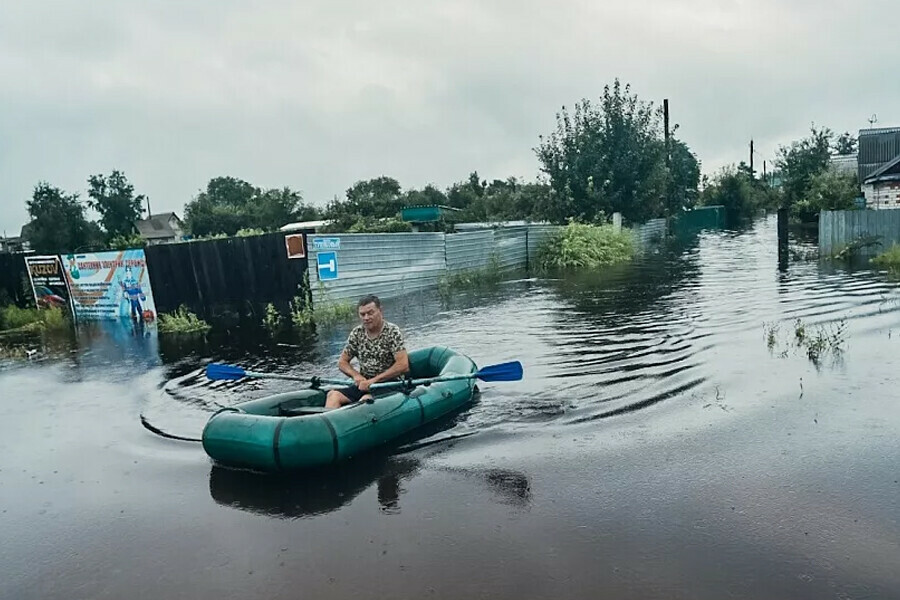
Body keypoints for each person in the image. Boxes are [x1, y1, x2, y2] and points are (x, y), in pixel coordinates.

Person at [325, 295, 409, 409]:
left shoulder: (392, 332)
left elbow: (403, 365)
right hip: (364, 383)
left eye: (370, 313)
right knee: (332, 395)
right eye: (362, 314)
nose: (366, 317)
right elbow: (342, 362)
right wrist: (356, 376)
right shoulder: (357, 333)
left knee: (365, 401)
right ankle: (329, 424)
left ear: (380, 311)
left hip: (390, 384)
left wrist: (373, 381)